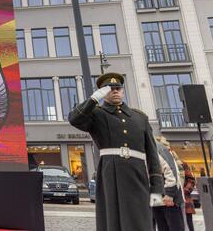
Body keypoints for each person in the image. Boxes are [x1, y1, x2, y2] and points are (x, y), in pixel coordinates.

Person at [68, 73, 163, 231]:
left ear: (123, 91)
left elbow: (152, 155)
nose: (115, 91)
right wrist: (93, 100)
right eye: (110, 89)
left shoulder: (140, 118)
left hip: (136, 174)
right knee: (112, 219)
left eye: (118, 88)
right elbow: (74, 119)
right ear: (103, 92)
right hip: (109, 173)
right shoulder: (96, 114)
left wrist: (157, 189)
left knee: (140, 220)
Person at [181, 163, 196, 231]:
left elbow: (191, 180)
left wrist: (185, 190)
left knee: (188, 225)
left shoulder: (182, 164)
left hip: (185, 200)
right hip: (168, 202)